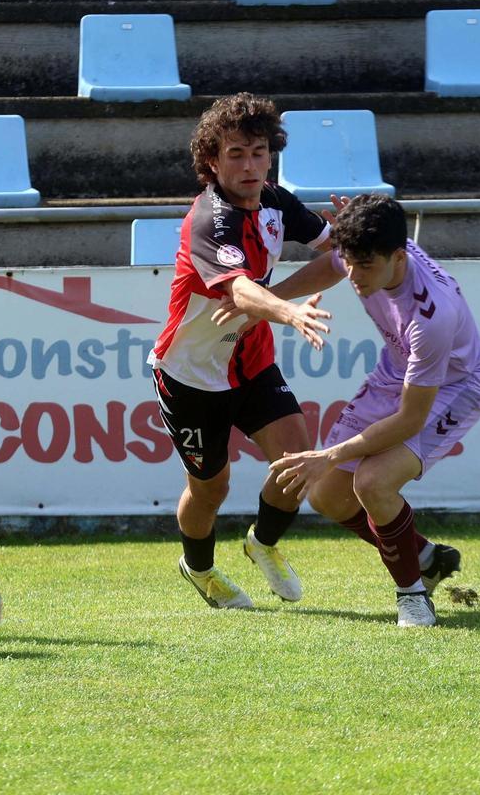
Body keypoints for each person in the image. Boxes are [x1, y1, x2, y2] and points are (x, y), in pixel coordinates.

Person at [270, 193, 480, 627]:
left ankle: (413, 597)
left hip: (455, 387)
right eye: (349, 261)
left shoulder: (431, 317)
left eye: (365, 266)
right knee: (326, 496)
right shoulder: (368, 249)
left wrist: (330, 455)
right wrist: (269, 301)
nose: (354, 275)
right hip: (395, 373)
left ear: (397, 256)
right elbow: (333, 264)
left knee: (373, 483)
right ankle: (426, 557)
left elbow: (411, 419)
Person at [148, 92, 334, 609]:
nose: (249, 164)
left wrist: (359, 235)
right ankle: (200, 568)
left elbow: (336, 254)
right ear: (212, 161)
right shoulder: (210, 219)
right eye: (235, 154)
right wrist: (286, 310)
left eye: (258, 151)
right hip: (190, 375)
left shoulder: (276, 201)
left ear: (271, 153)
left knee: (299, 463)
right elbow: (238, 290)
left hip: (251, 361)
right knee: (211, 490)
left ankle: (263, 543)